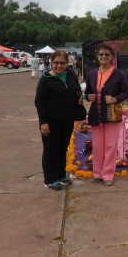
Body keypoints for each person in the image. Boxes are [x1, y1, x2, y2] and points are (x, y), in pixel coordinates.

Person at [35, 50, 83, 190]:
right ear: (51, 63)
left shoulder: (70, 74)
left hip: (67, 120)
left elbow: (77, 89)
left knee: (62, 149)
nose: (59, 66)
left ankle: (61, 175)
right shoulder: (45, 79)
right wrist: (43, 122)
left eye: (63, 63)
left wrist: (79, 96)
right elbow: (39, 102)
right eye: (56, 63)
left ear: (67, 63)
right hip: (51, 122)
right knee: (51, 149)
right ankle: (50, 179)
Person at [85, 44, 128, 186]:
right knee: (98, 146)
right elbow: (87, 92)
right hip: (95, 114)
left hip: (111, 115)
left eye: (107, 54)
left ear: (112, 57)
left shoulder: (118, 74)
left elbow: (127, 91)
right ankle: (97, 174)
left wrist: (115, 99)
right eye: (101, 54)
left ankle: (108, 175)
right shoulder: (92, 73)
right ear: (97, 57)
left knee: (111, 145)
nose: (104, 56)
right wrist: (89, 97)